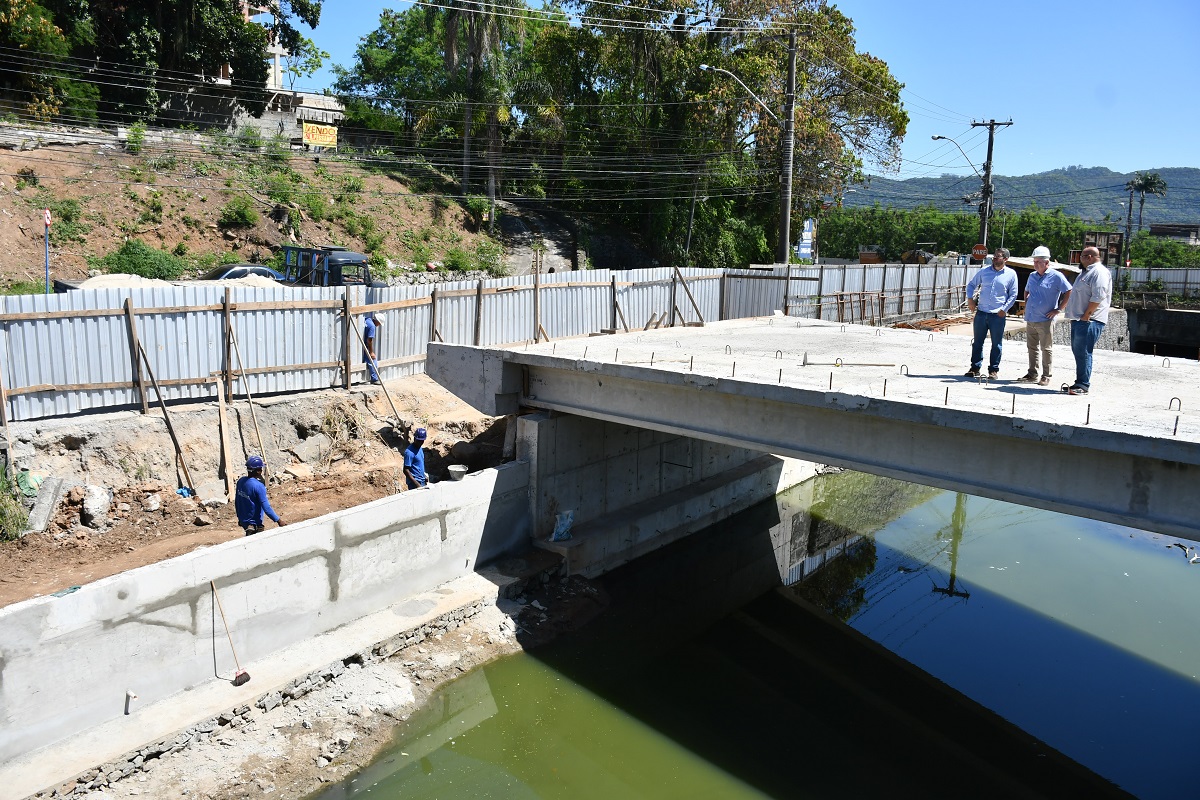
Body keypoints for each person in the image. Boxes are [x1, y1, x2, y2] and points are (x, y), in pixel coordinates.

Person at [1017, 245, 1072, 387]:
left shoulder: (1057, 276)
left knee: (1046, 349)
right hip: (1031, 318)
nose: (1035, 264)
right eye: (1034, 261)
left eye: (1038, 262)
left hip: (1045, 320)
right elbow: (1027, 290)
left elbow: (1069, 291)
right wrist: (1027, 302)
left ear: (1047, 263)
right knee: (1031, 347)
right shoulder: (1032, 276)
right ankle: (1032, 373)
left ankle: (1046, 375)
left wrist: (1058, 309)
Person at [1061, 246, 1112, 396]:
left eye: (1081, 256)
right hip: (1079, 319)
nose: (1079, 259)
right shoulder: (1085, 273)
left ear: (1089, 257)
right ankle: (1079, 382)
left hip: (1089, 320)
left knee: (1084, 352)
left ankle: (1083, 385)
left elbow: (1098, 296)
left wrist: (1086, 315)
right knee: (1078, 352)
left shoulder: (1099, 272)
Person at [964, 247, 1019, 379]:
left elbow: (1013, 294)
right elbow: (971, 285)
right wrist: (970, 300)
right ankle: (975, 368)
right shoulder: (984, 271)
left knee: (997, 344)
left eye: (998, 256)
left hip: (997, 315)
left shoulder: (1011, 274)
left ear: (1005, 259)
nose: (994, 259)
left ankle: (993, 370)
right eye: (994, 256)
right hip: (982, 313)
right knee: (977, 342)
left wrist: (1004, 309)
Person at [235, 455, 282, 535]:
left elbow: (237, 501)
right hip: (254, 524)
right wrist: (279, 521)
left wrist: (239, 517)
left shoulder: (241, 481)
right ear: (258, 471)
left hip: (244, 522)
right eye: (261, 469)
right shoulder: (258, 486)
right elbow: (266, 508)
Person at [363, 312, 383, 385]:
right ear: (377, 321)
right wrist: (371, 352)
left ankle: (363, 378)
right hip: (365, 345)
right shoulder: (372, 326)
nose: (379, 325)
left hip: (360, 345)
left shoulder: (367, 320)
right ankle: (374, 379)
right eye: (379, 323)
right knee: (373, 360)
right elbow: (369, 340)